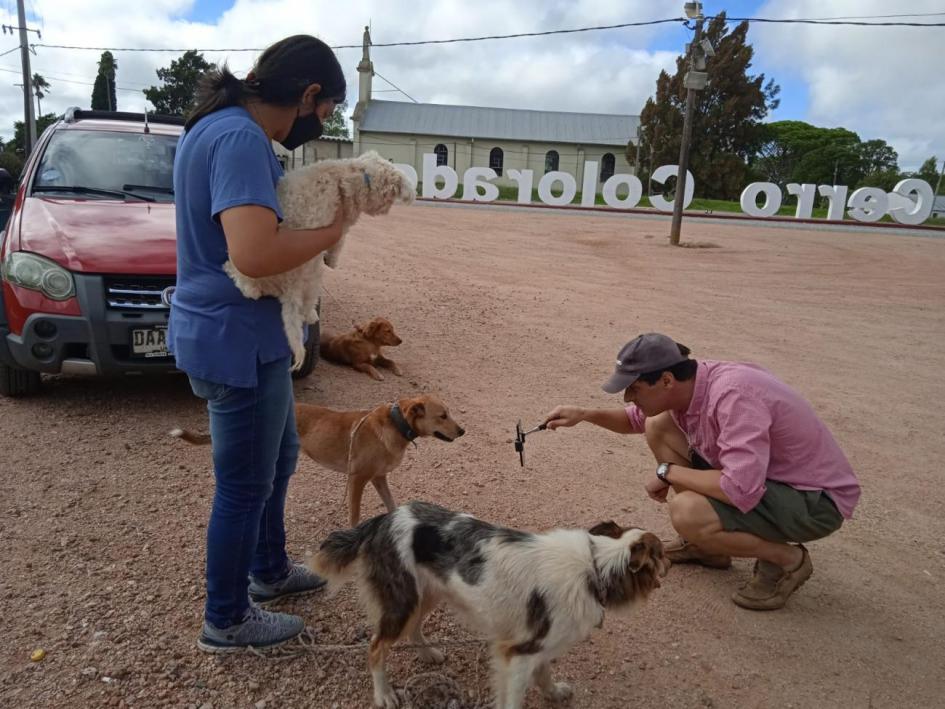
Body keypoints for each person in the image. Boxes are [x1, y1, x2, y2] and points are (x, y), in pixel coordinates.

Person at [168, 35, 347, 651]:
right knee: (245, 483)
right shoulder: (240, 138)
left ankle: (269, 571)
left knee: (279, 459)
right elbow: (255, 251)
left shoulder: (217, 127)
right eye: (324, 115)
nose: (319, 127)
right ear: (308, 94)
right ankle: (227, 617)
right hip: (232, 339)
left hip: (247, 334)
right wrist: (332, 229)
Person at [542, 333, 860, 610]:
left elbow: (739, 486)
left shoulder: (733, 395)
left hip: (813, 502)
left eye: (635, 389)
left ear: (666, 380)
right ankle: (708, 547)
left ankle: (787, 561)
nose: (629, 397)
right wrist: (584, 415)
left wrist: (668, 472)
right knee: (658, 423)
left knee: (687, 511)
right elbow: (636, 420)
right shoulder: (689, 384)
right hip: (768, 481)